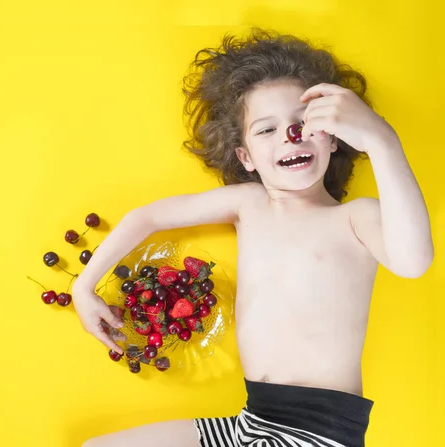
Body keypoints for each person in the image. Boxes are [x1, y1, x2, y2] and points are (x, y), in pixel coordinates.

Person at [71, 28, 434, 447]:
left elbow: (413, 261)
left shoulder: (356, 218)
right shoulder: (249, 203)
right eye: (266, 130)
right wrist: (84, 285)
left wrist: (381, 139)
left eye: (304, 123)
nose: (288, 136)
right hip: (252, 422)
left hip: (318, 431)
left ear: (333, 137)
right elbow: (149, 217)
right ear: (245, 156)